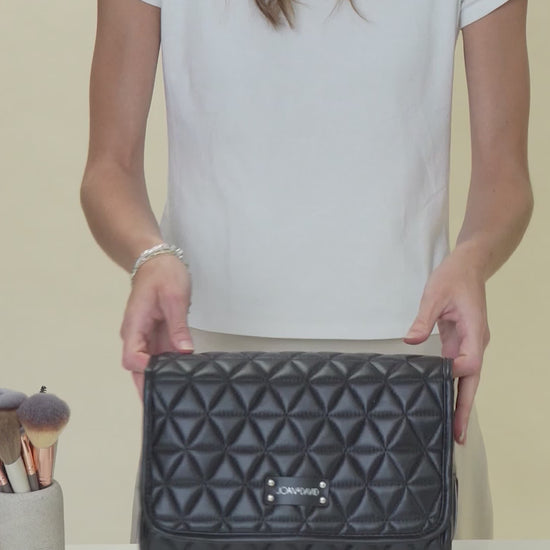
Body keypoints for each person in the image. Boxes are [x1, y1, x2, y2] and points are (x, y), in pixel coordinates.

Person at [80, 0, 533, 541]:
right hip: (210, 387)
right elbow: (109, 167)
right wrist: (149, 256)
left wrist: (473, 258)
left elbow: (505, 174)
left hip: (409, 389)